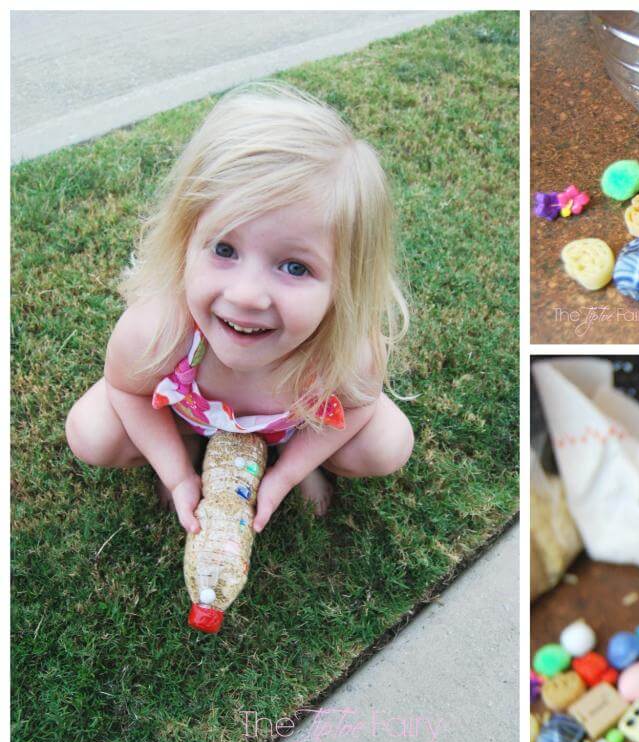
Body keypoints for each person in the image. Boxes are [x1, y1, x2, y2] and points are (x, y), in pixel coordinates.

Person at [65, 82, 414, 534]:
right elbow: (128, 390)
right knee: (92, 433)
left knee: (387, 445)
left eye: (294, 266)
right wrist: (176, 474)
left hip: (292, 427)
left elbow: (357, 408)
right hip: (185, 417)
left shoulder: (348, 351)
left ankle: (290, 458)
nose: (247, 295)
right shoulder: (157, 329)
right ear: (185, 239)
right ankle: (189, 446)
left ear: (345, 284)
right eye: (225, 249)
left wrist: (285, 476)